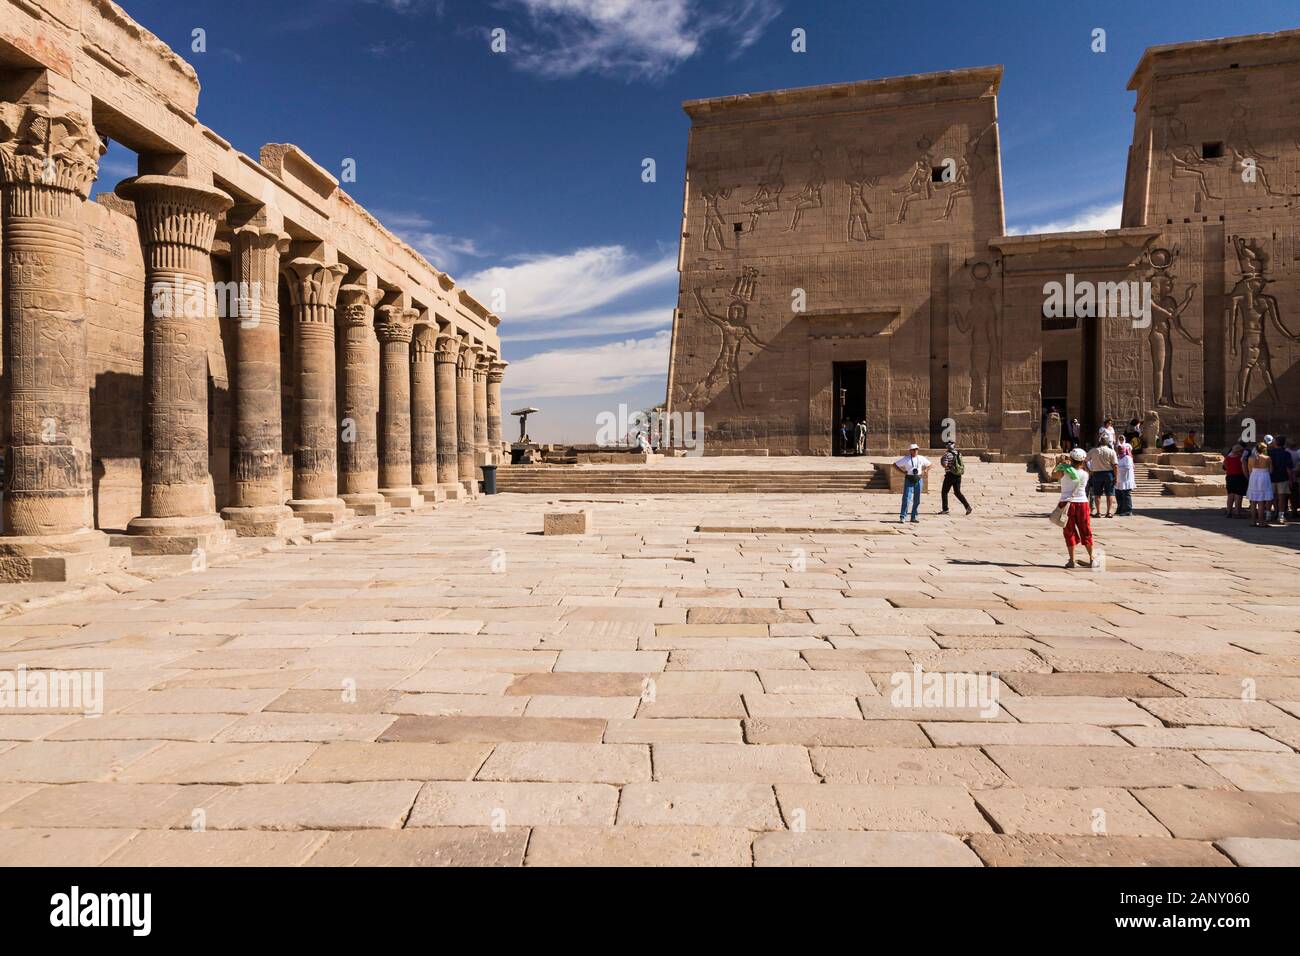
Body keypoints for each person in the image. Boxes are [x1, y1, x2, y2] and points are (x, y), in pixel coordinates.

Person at [1053, 447, 1095, 569]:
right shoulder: (1085, 474)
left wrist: (1061, 464)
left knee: (1069, 531)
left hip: (1066, 503)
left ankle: (1071, 560)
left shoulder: (1064, 471)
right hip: (1082, 503)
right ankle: (1092, 558)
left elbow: (1053, 475)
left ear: (1071, 459)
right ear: (1082, 461)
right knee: (1086, 530)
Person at [894, 443, 931, 524]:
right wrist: (902, 472)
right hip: (909, 479)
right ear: (910, 451)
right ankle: (903, 517)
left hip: (918, 479)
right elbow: (895, 465)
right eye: (914, 449)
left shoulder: (921, 458)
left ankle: (914, 516)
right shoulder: (906, 459)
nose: (915, 451)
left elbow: (930, 465)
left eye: (917, 449)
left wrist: (926, 470)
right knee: (906, 498)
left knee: (917, 499)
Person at [1086, 437, 1118, 518]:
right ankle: (1108, 512)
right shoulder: (1111, 451)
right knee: (1110, 494)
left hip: (1096, 474)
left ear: (1099, 442)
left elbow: (1084, 461)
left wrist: (1089, 470)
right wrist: (1116, 477)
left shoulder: (1093, 451)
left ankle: (1098, 512)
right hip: (1108, 474)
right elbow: (1115, 465)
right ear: (1107, 443)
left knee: (1097, 494)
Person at [939, 440, 972, 515]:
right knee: (957, 492)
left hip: (950, 475)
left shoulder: (946, 454)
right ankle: (967, 507)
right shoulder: (959, 453)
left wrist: (942, 461)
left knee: (944, 492)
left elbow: (945, 465)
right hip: (958, 475)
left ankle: (945, 509)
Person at [1247, 441, 1274, 528]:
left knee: (1253, 501)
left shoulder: (1250, 458)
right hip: (1264, 477)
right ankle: (1261, 522)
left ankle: (1253, 521)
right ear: (1264, 449)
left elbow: (1250, 471)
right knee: (1261, 501)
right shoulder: (1268, 458)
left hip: (1254, 477)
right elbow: (1271, 470)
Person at [1269, 435, 1293, 524]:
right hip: (1283, 478)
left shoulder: (1269, 452)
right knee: (1282, 498)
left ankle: (1273, 512)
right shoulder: (1286, 454)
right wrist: (1290, 480)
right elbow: (1288, 469)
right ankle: (1281, 515)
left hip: (1271, 478)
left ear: (1275, 442)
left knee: (1272, 497)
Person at [1223, 443, 1247, 518]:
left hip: (1229, 477)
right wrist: (1247, 477)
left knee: (1230, 495)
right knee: (1238, 496)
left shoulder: (1227, 458)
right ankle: (1237, 512)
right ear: (1239, 451)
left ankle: (1229, 511)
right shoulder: (1241, 459)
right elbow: (1244, 470)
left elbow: (1225, 466)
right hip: (1239, 477)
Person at [1114, 436, 1136, 516]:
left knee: (1126, 495)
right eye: (1118, 449)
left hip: (1126, 479)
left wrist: (1117, 468)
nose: (1119, 450)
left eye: (1121, 449)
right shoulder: (1118, 457)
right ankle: (1120, 509)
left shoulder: (1127, 458)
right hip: (1119, 479)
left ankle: (1128, 510)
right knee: (1118, 495)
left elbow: (1127, 468)